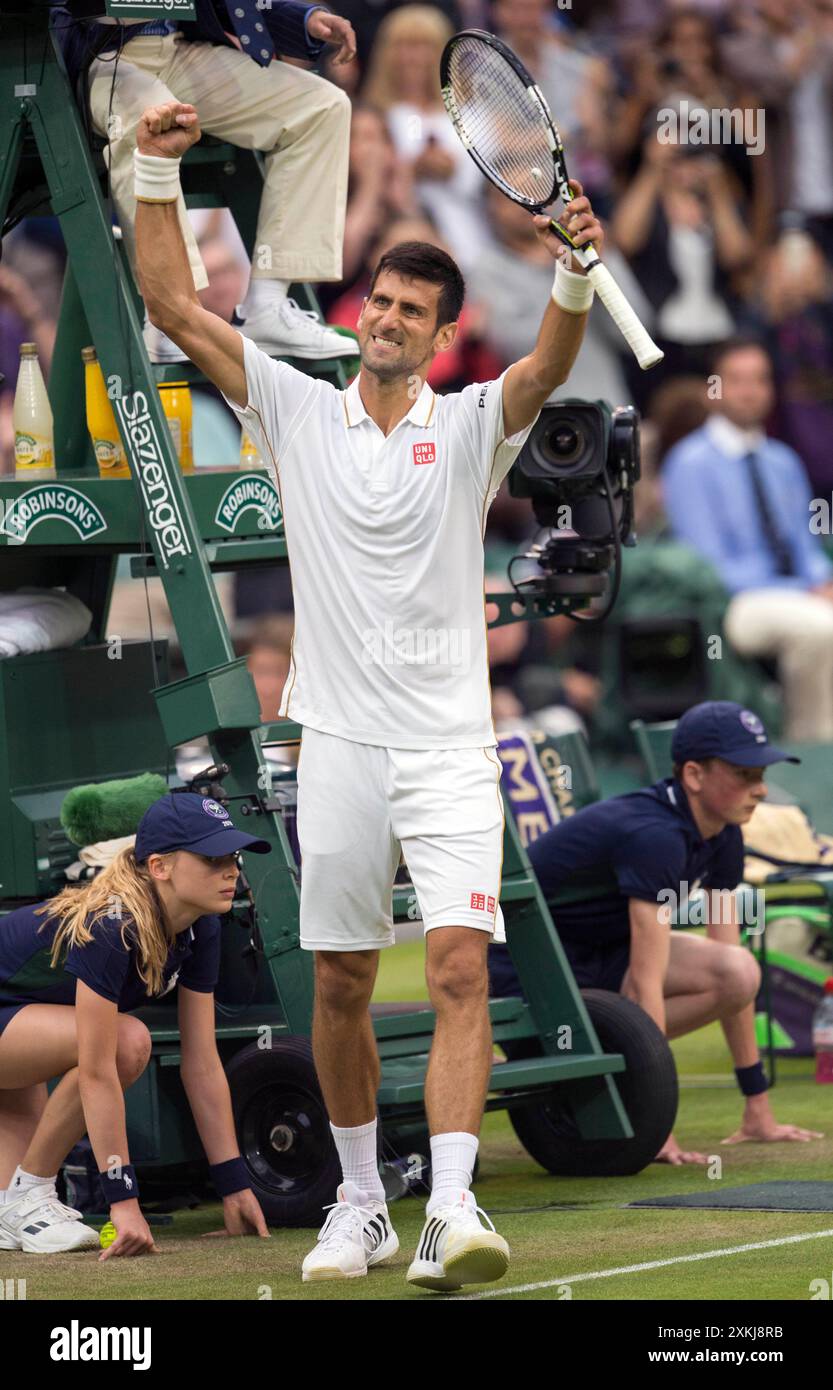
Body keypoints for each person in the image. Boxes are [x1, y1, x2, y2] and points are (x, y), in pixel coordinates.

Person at [131, 97, 603, 1290]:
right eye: (377, 302)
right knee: (338, 981)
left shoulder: (469, 422)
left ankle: (448, 1205)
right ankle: (359, 1201)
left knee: (453, 967)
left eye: (410, 311)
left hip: (448, 747)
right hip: (335, 742)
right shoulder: (295, 404)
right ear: (360, 316)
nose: (387, 319)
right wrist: (149, 168)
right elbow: (171, 306)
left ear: (441, 336)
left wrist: (575, 277)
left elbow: (547, 367)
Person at [489, 701, 824, 1164]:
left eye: (761, 774)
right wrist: (657, 1126)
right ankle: (599, 1079)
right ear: (693, 775)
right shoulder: (654, 835)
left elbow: (731, 967)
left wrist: (757, 1108)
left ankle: (614, 1067)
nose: (761, 789)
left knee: (739, 972)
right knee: (676, 983)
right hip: (526, 972)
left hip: (598, 959)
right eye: (744, 774)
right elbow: (646, 980)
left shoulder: (724, 832)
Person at [0, 794, 272, 1256]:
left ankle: (22, 1195)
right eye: (212, 858)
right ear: (160, 867)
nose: (231, 870)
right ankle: (31, 1192)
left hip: (21, 1017)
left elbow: (202, 1064)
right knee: (125, 1042)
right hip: (13, 1015)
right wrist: (122, 1201)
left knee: (6, 1215)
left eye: (233, 856)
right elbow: (98, 1068)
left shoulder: (200, 924)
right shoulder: (113, 924)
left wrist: (234, 1185)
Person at [59, 0, 358, 363]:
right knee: (151, 117)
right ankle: (169, 320)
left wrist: (304, 18)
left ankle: (268, 305)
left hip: (177, 50)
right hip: (100, 58)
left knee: (321, 105)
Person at [662, 337, 833, 741]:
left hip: (794, 594)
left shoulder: (783, 461)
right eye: (736, 380)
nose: (749, 391)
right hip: (733, 603)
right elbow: (708, 567)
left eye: (760, 379)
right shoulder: (690, 463)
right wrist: (803, 591)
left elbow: (806, 546)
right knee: (821, 628)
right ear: (713, 389)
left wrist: (822, 579)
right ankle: (812, 749)